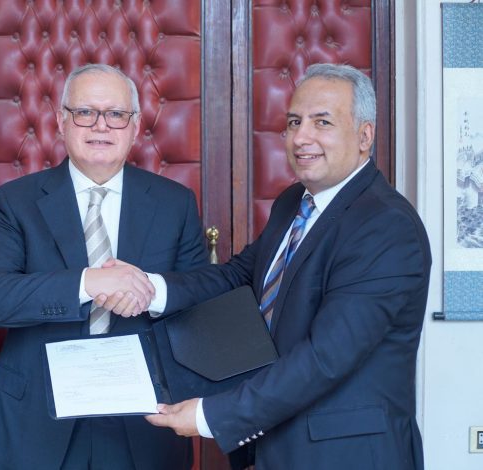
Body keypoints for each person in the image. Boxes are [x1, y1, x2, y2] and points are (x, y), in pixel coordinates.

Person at [144, 63, 431, 469]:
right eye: (294, 122)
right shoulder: (293, 203)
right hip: (275, 446)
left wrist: (212, 415)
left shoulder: (386, 226)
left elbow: (325, 357)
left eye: (322, 122)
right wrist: (150, 290)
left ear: (364, 136)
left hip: (344, 457)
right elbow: (238, 277)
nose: (301, 138)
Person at [0, 63, 208, 469]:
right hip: (37, 419)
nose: (101, 126)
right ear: (61, 122)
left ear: (135, 126)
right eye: (85, 112)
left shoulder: (175, 203)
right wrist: (87, 283)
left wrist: (147, 291)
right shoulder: (17, 200)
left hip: (142, 420)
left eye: (116, 114)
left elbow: (200, 301)